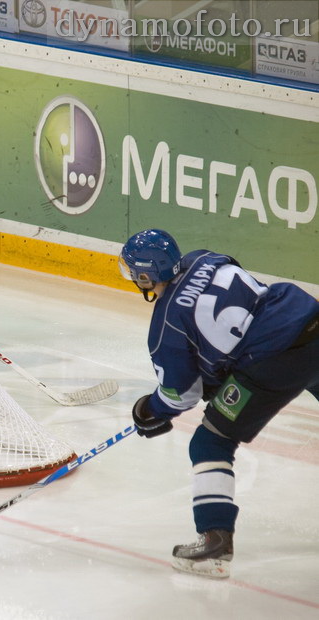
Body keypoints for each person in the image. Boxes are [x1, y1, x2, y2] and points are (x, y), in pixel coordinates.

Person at [118, 228, 319, 579]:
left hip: (273, 361)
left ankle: (215, 540)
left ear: (145, 276)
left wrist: (151, 410)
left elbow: (181, 395)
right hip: (308, 316)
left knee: (210, 441)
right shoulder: (203, 257)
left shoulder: (165, 327)